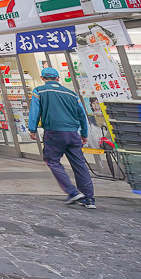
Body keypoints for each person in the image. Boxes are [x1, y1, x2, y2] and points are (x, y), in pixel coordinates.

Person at [28, 67, 96, 208]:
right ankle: (88, 198)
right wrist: (84, 134)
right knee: (79, 164)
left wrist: (32, 129)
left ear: (42, 78)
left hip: (54, 132)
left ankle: (72, 192)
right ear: (58, 78)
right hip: (73, 133)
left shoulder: (39, 91)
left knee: (52, 160)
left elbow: (35, 111)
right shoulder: (72, 94)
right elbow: (82, 115)